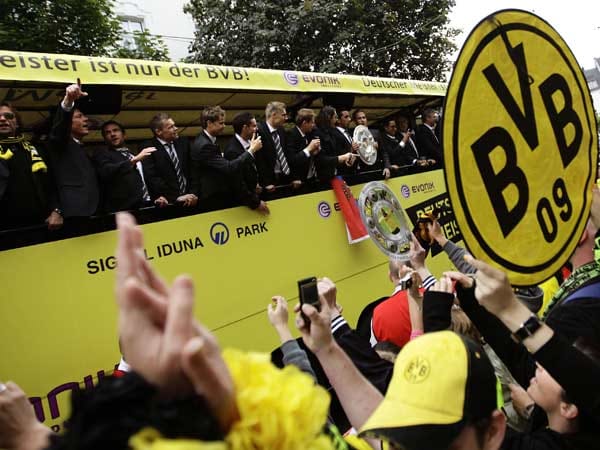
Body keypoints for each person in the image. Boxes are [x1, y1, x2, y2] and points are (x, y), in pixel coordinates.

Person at [0, 102, 62, 230]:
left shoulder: (36, 150)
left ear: (17, 123)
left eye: (8, 116)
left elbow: (52, 184)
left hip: (42, 224)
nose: (2, 119)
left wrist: (56, 211)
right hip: (5, 228)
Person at [190, 106, 261, 211]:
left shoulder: (207, 140)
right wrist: (251, 151)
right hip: (211, 199)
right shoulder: (205, 145)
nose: (224, 126)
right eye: (221, 123)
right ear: (209, 123)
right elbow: (228, 168)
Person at [47, 82, 100, 218]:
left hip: (92, 211)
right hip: (73, 213)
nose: (85, 119)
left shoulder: (80, 146)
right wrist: (68, 101)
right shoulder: (60, 142)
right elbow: (60, 128)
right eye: (79, 116)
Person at [92, 120, 155, 213]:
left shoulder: (131, 154)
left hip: (146, 203)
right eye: (107, 133)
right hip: (123, 209)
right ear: (104, 138)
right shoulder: (102, 154)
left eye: (115, 130)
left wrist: (156, 196)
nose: (112, 134)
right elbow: (108, 170)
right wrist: (134, 160)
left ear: (124, 135)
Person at [140, 113, 197, 208]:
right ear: (158, 131)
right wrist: (176, 198)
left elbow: (193, 170)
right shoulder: (148, 148)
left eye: (174, 125)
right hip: (167, 203)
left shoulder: (183, 142)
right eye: (171, 127)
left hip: (191, 200)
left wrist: (193, 194)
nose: (176, 128)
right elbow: (153, 178)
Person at [223, 111, 269, 214]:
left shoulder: (253, 142)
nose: (256, 129)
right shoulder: (232, 150)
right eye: (253, 126)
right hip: (243, 206)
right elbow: (238, 183)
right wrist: (256, 203)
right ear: (244, 128)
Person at [255, 101, 300, 191]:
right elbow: (259, 160)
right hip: (269, 185)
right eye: (283, 115)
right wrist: (265, 183)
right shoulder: (259, 131)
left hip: (284, 180)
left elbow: (286, 155)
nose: (286, 118)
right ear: (274, 114)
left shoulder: (281, 130)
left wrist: (293, 177)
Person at [314, 106, 355, 181]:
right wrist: (341, 158)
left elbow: (335, 153)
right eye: (335, 117)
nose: (336, 120)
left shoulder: (331, 132)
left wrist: (345, 159)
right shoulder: (318, 133)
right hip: (323, 177)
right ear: (329, 118)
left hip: (335, 174)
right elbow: (321, 159)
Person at [285, 108, 321, 184]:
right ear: (304, 123)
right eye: (312, 122)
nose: (313, 125)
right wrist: (308, 149)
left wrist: (313, 152)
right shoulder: (291, 135)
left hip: (310, 177)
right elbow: (292, 160)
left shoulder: (308, 134)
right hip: (298, 181)